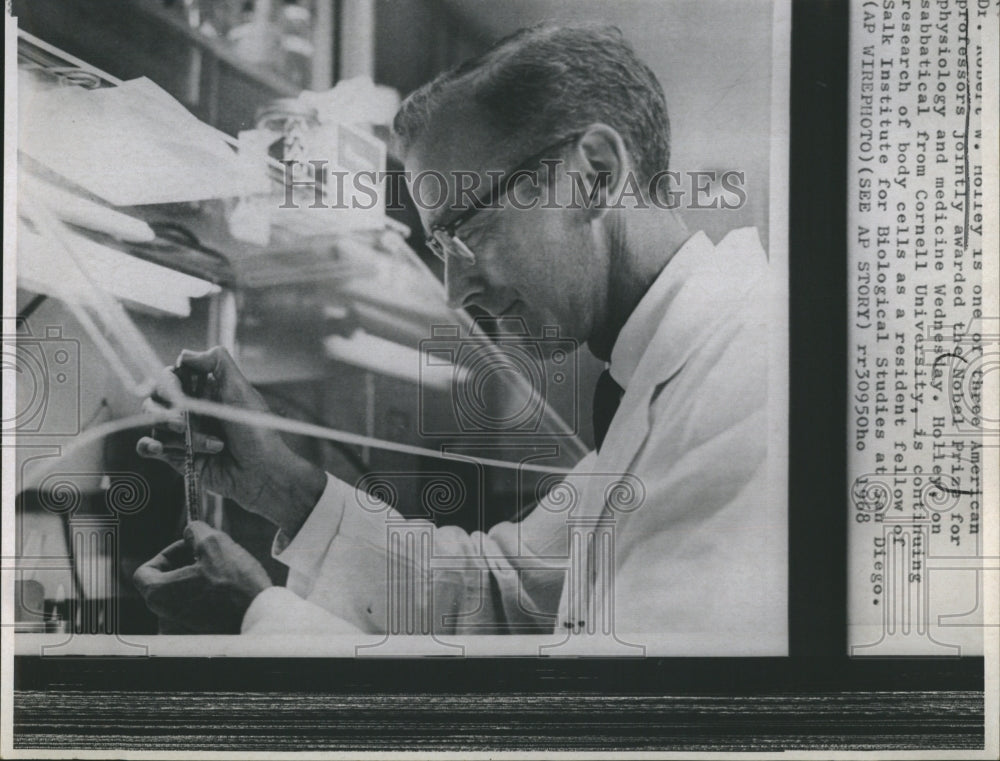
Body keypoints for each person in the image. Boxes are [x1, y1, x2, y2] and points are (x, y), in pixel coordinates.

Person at [134, 24, 785, 653]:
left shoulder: (755, 383)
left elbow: (631, 710)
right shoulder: (666, 381)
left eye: (466, 232)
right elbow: (499, 595)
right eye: (440, 248)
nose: (454, 291)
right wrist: (279, 485)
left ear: (594, 172)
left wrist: (257, 620)